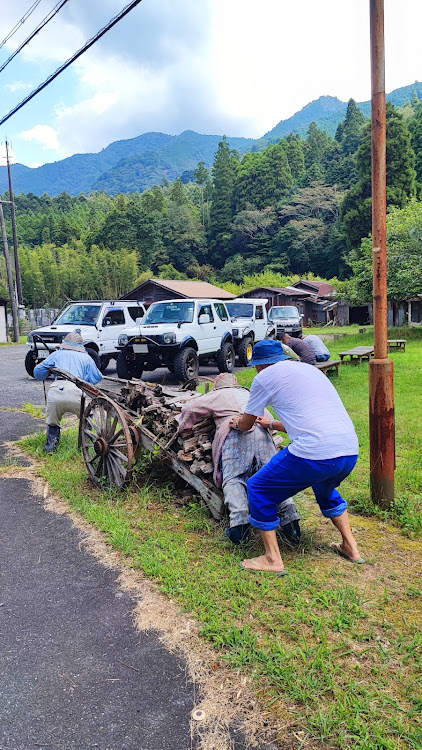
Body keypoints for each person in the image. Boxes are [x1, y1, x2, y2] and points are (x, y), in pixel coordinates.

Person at [229, 339, 364, 574]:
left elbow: (247, 423)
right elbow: (306, 419)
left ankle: (272, 559)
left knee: (258, 487)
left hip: (314, 454)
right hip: (348, 450)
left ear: (259, 365)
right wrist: (271, 423)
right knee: (325, 489)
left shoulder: (263, 378)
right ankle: (351, 547)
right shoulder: (309, 370)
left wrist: (237, 424)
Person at [178, 373, 300, 545]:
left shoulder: (217, 395)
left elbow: (190, 408)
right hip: (263, 435)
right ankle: (291, 524)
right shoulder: (250, 395)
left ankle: (240, 528)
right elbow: (269, 419)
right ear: (237, 384)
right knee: (272, 478)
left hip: (235, 434)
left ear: (218, 386)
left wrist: (183, 427)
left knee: (234, 478)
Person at [33, 332, 102, 453]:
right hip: (77, 392)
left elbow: (38, 372)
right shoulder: (86, 357)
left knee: (52, 420)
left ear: (65, 344)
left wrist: (46, 373)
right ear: (80, 345)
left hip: (56, 391)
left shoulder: (56, 354)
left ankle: (50, 447)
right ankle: (86, 448)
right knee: (86, 417)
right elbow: (97, 377)